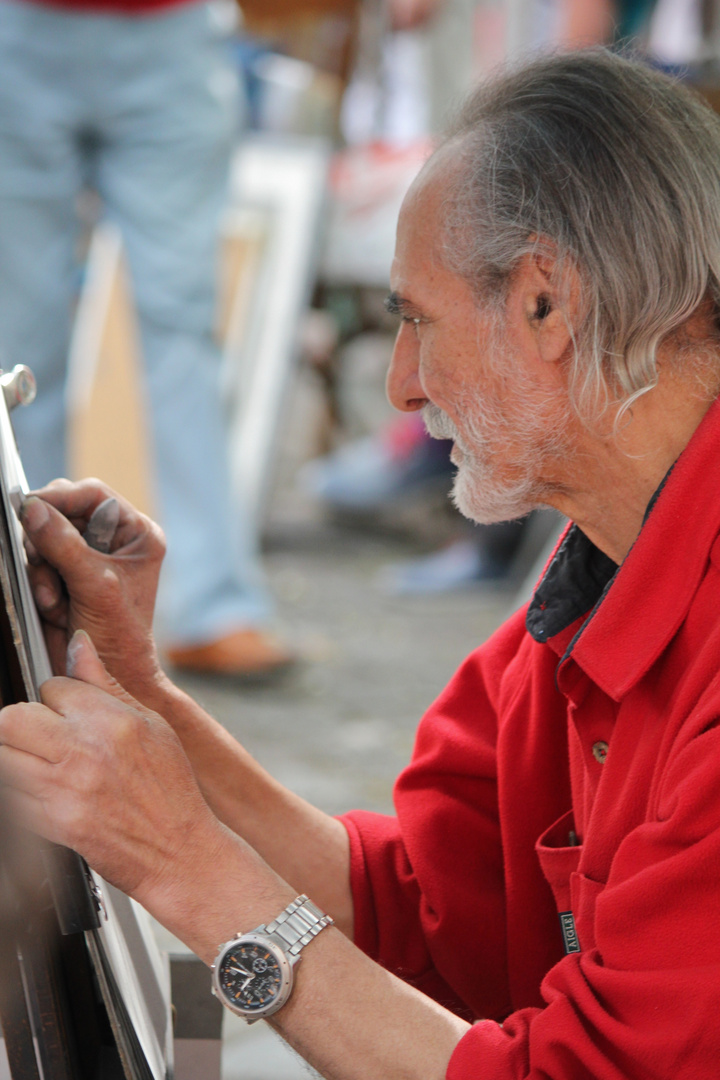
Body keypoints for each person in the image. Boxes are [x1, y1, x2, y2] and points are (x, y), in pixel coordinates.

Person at [3, 48, 720, 1078]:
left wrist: (180, 862)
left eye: (416, 322)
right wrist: (136, 697)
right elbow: (417, 908)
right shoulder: (603, 568)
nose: (400, 386)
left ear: (545, 304)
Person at [0, 0, 292, 678]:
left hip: (170, 27)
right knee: (20, 350)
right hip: (21, 28)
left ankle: (214, 604)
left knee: (184, 324)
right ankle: (27, 598)